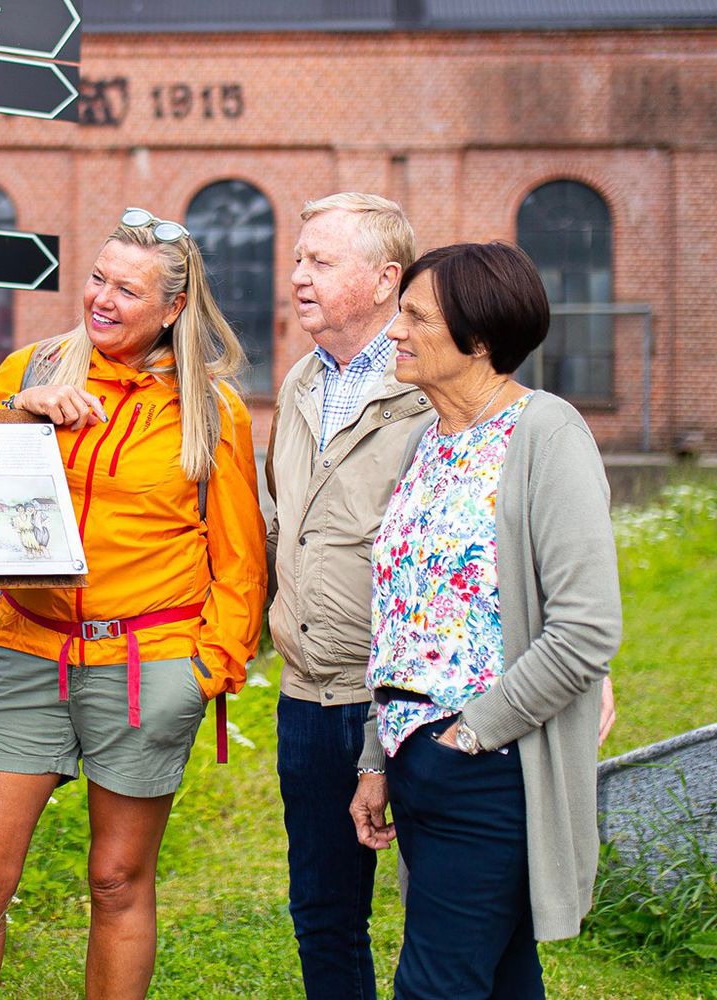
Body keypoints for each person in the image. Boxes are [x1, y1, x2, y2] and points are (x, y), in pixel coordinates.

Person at [0, 209, 267, 1000]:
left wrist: (207, 669)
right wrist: (24, 415)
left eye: (127, 289)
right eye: (97, 279)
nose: (103, 300)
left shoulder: (212, 411)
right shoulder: (31, 368)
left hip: (149, 663)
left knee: (117, 879)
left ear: (173, 308)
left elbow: (241, 558)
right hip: (30, 650)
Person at [350, 241, 622, 999]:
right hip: (417, 757)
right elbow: (405, 621)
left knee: (434, 985)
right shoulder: (424, 443)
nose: (394, 332)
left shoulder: (548, 435)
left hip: (492, 767)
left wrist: (471, 734)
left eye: (414, 316)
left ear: (478, 339)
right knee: (502, 980)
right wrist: (379, 755)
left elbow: (586, 628)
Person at [263, 192, 430, 1000]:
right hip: (306, 697)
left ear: (382, 279)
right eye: (298, 259)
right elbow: (278, 525)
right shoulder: (298, 383)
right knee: (323, 913)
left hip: (406, 701)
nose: (296, 276)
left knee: (442, 911)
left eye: (319, 261)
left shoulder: (431, 394)